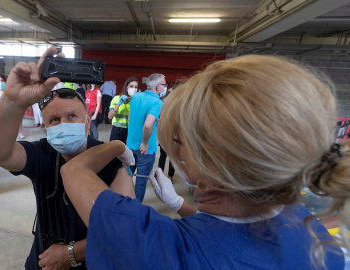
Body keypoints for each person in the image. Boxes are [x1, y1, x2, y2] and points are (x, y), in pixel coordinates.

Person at [60, 55, 349, 269]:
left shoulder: (153, 247)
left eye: (178, 142)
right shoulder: (310, 229)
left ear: (211, 168)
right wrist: (180, 206)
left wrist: (115, 146)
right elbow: (230, 236)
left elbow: (74, 170)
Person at [0, 46, 135, 270]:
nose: (64, 123)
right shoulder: (41, 153)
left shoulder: (109, 159)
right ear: (45, 126)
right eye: (54, 119)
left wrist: (71, 254)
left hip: (93, 260)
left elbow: (126, 227)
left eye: (72, 116)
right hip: (42, 258)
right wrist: (13, 100)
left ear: (87, 122)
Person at [126, 73, 166, 201]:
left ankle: (125, 203)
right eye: (164, 84)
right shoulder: (156, 102)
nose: (165, 87)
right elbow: (148, 125)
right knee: (141, 181)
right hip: (146, 150)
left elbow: (131, 117)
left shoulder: (136, 97)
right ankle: (136, 209)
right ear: (158, 87)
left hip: (130, 145)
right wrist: (144, 142)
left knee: (127, 177)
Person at [108, 77, 138, 143]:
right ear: (126, 87)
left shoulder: (136, 101)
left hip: (130, 130)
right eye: (131, 86)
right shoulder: (117, 98)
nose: (133, 89)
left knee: (128, 152)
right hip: (117, 129)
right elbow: (110, 116)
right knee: (114, 151)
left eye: (136, 87)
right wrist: (118, 104)